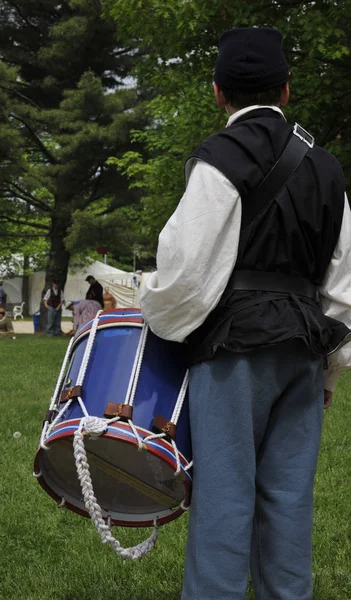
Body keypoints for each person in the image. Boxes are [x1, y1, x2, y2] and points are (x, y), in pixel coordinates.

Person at [141, 27, 351, 600]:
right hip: (304, 351)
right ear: (285, 90)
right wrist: (330, 369)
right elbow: (343, 288)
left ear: (217, 93)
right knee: (288, 501)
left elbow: (185, 274)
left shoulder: (220, 160)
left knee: (225, 499)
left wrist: (150, 309)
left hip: (235, 352)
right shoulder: (328, 169)